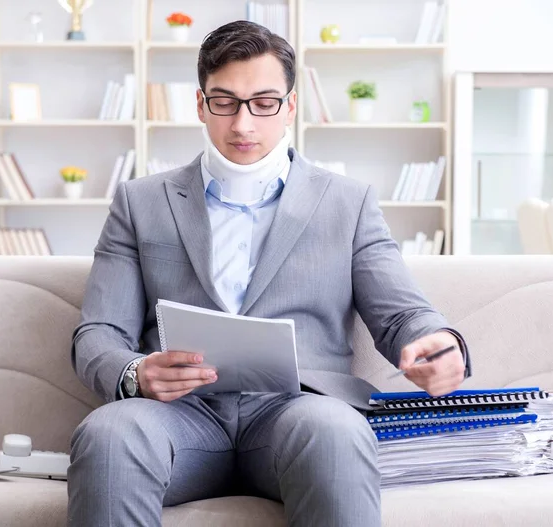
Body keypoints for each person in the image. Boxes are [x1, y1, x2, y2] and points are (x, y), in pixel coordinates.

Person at [68, 20, 470, 527]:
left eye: (263, 102)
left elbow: (401, 314)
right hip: (176, 418)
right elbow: (100, 333)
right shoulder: (139, 202)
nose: (243, 125)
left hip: (296, 413)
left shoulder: (348, 203)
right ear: (200, 104)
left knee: (336, 432)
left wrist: (435, 341)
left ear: (290, 106)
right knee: (108, 434)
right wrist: (134, 373)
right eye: (225, 101)